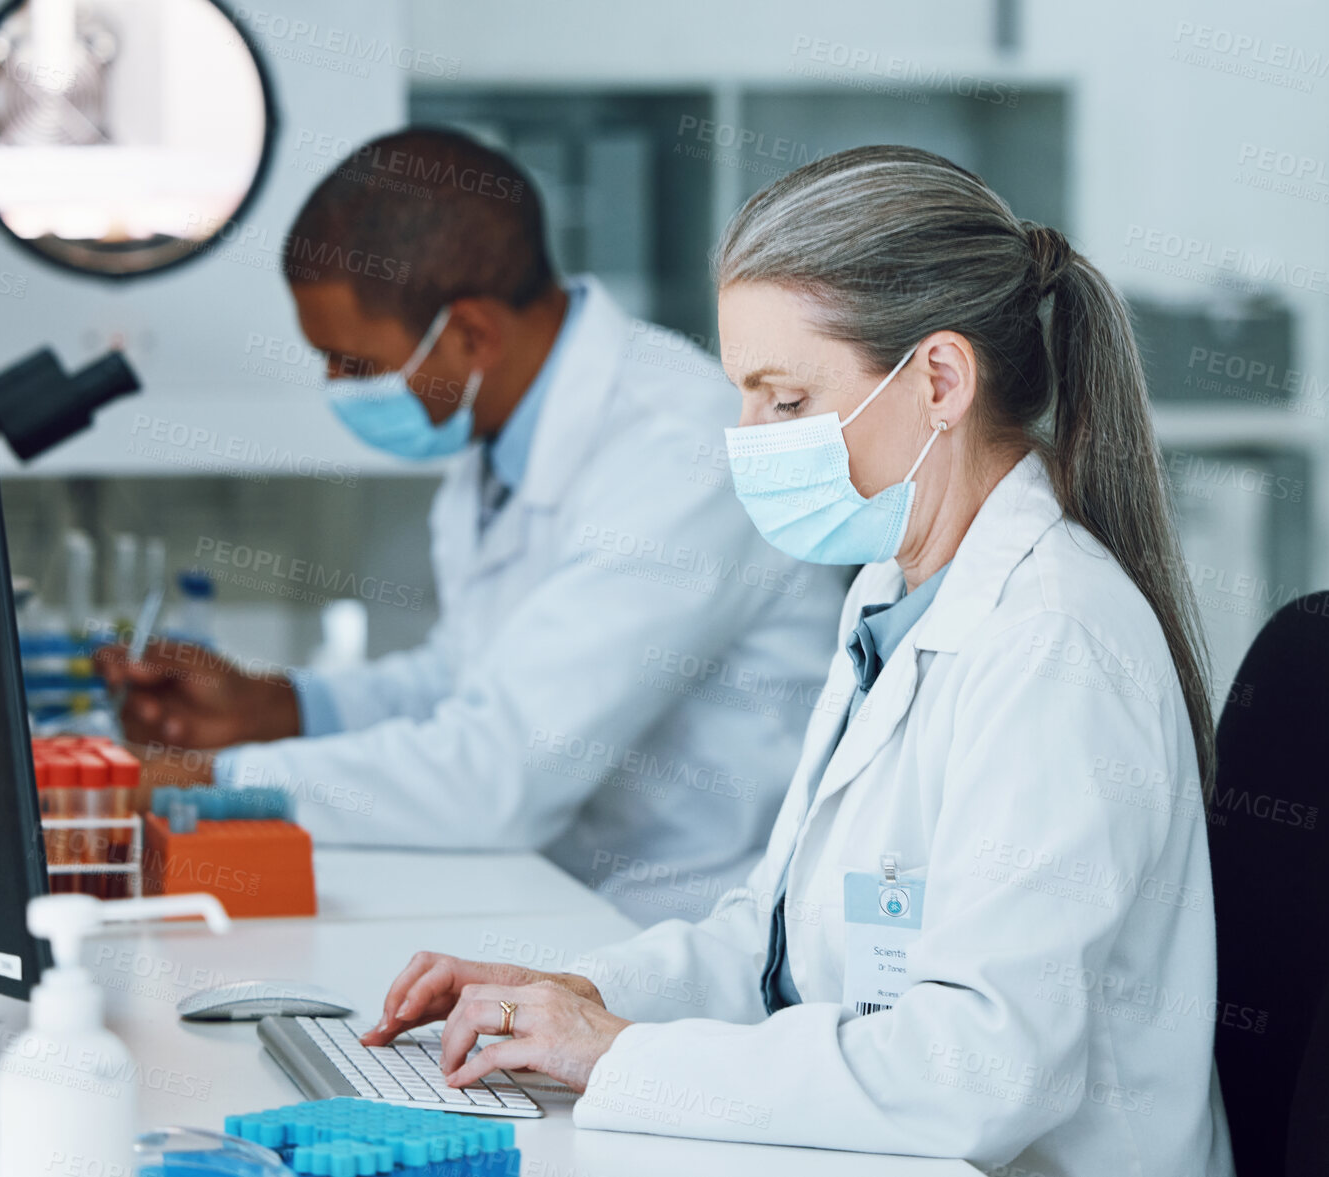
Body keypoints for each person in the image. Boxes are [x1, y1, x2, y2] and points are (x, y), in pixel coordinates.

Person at [359, 145, 1237, 1174]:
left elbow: (982, 1071)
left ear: (941, 379)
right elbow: (773, 939)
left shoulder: (1052, 641)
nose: (746, 439)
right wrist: (581, 996)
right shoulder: (895, 590)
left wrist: (624, 1057)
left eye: (783, 399)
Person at [95, 129, 847, 925]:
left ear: (472, 335)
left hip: (686, 924)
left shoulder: (678, 454)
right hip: (555, 897)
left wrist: (205, 784)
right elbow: (464, 679)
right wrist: (278, 708)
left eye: (354, 363)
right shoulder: (500, 429)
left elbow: (497, 774)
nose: (336, 387)